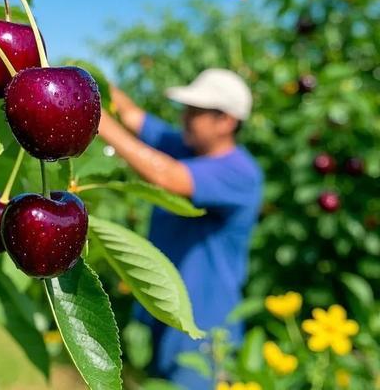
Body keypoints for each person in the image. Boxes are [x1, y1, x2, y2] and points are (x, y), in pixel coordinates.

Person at [98, 68, 263, 389]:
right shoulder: (186, 147)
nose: (185, 117)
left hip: (205, 329)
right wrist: (86, 78)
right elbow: (132, 115)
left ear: (226, 121)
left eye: (196, 112)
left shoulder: (240, 172)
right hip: (163, 314)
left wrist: (95, 118)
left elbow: (167, 177)